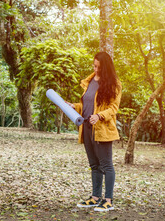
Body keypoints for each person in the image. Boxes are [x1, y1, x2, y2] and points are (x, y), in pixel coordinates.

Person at [65, 51, 122, 212]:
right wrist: (74, 106)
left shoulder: (114, 84)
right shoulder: (90, 81)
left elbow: (113, 108)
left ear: (106, 68)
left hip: (102, 129)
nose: (95, 69)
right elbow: (87, 104)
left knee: (106, 165)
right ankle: (96, 198)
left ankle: (108, 200)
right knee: (94, 165)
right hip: (87, 128)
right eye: (94, 65)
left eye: (99, 67)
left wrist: (99, 116)